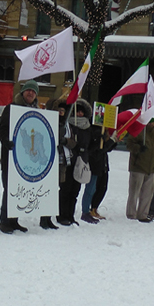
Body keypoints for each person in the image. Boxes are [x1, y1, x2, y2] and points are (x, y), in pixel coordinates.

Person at [0, 80, 39, 234]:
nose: (31, 93)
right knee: (9, 189)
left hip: (26, 159)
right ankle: (4, 221)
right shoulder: (11, 108)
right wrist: (6, 142)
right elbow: (2, 130)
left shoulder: (37, 112)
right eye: (28, 90)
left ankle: (14, 220)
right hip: (11, 158)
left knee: (20, 190)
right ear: (23, 92)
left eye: (33, 92)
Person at [57, 98, 93, 226]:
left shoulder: (88, 127)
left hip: (81, 162)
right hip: (69, 160)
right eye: (77, 112)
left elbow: (89, 144)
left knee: (75, 191)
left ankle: (70, 215)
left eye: (82, 112)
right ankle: (61, 215)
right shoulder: (68, 124)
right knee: (65, 190)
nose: (79, 115)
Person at [41, 97, 75, 229]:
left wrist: (65, 141)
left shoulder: (67, 125)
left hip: (62, 162)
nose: (62, 112)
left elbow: (73, 142)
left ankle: (49, 217)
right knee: (47, 189)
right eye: (59, 109)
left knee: (55, 190)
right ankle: (43, 218)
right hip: (49, 160)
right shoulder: (49, 122)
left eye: (63, 110)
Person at [81, 119, 117, 223]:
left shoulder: (102, 132)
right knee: (91, 189)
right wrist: (110, 141)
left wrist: (112, 142)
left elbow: (106, 149)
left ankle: (92, 209)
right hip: (95, 165)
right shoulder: (94, 132)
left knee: (101, 188)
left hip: (102, 165)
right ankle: (86, 211)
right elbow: (98, 151)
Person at [125, 121, 154, 222]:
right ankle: (131, 213)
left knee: (147, 193)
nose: (151, 123)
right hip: (138, 167)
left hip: (150, 168)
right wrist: (138, 148)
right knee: (134, 192)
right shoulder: (138, 131)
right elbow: (129, 144)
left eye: (153, 121)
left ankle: (143, 214)